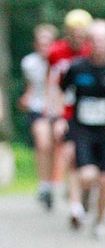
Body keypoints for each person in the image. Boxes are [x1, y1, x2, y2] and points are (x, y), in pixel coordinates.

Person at [61, 19, 105, 236]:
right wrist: (59, 119)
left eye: (103, 39)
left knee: (103, 180)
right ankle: (82, 200)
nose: (99, 44)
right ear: (88, 41)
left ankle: (99, 221)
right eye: (94, 39)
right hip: (82, 129)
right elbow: (61, 92)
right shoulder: (76, 67)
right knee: (86, 174)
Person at [46, 9, 93, 188]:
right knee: (63, 146)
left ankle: (80, 186)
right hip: (62, 104)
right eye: (74, 33)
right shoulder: (55, 51)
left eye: (81, 34)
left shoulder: (91, 51)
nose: (78, 37)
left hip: (85, 106)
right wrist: (52, 106)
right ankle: (59, 184)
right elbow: (51, 79)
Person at [19, 23, 58, 209]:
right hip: (38, 106)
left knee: (57, 146)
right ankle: (44, 184)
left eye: (48, 43)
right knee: (43, 144)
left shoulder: (61, 61)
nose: (44, 47)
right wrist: (25, 98)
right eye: (41, 43)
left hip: (58, 108)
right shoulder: (29, 63)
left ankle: (54, 182)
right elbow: (30, 86)